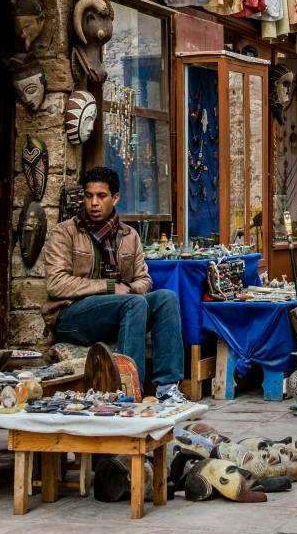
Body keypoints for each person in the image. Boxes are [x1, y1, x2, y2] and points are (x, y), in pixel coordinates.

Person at [42, 166, 188, 402]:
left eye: (101, 196)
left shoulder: (129, 235)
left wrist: (130, 289)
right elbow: (56, 284)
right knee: (133, 304)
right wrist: (110, 288)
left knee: (166, 298)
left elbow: (144, 279)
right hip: (70, 316)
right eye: (89, 196)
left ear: (115, 197)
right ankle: (130, 391)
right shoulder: (65, 232)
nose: (94, 203)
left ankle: (167, 389)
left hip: (118, 311)